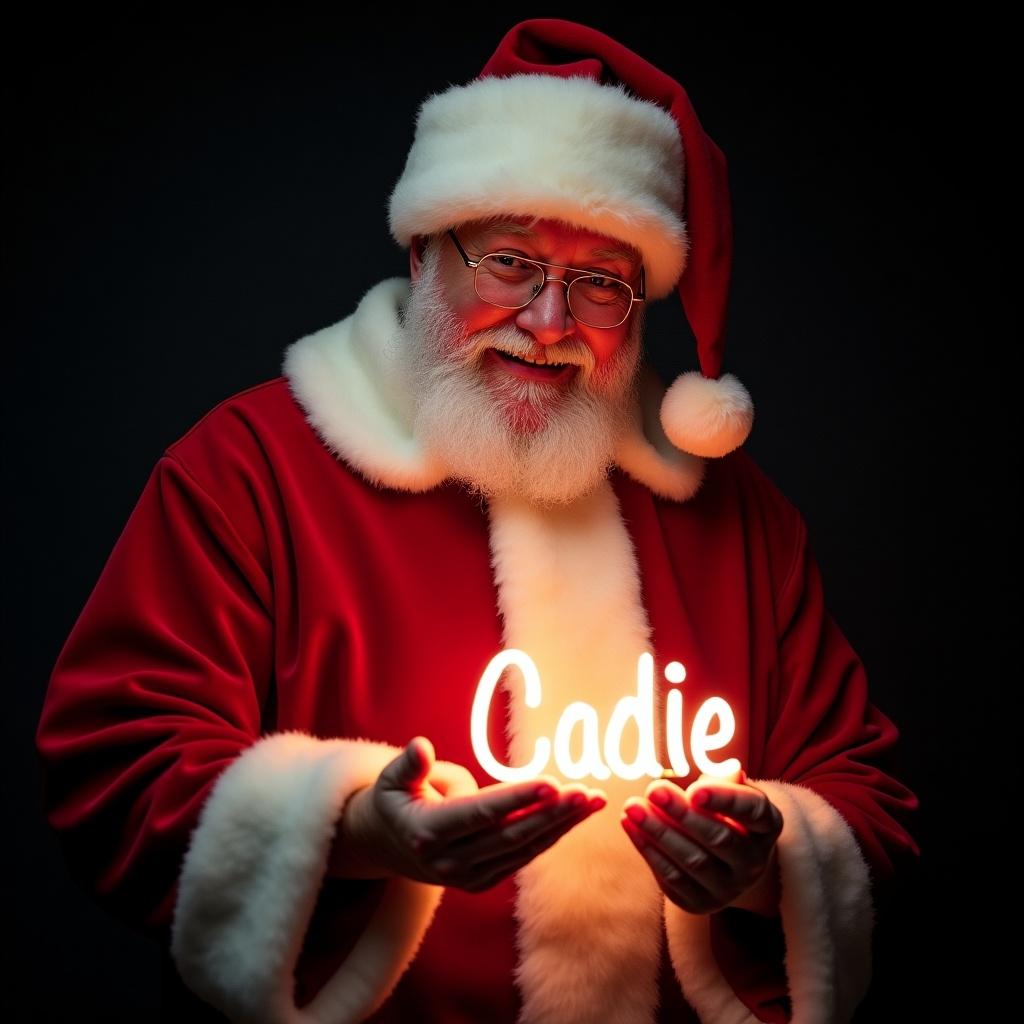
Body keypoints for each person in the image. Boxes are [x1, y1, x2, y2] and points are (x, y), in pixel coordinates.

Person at [34, 18, 919, 1024]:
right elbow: (115, 762)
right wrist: (359, 828)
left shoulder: (731, 512)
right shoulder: (245, 470)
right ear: (424, 255)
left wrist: (761, 862)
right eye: (508, 261)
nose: (550, 322)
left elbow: (864, 796)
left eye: (599, 284)